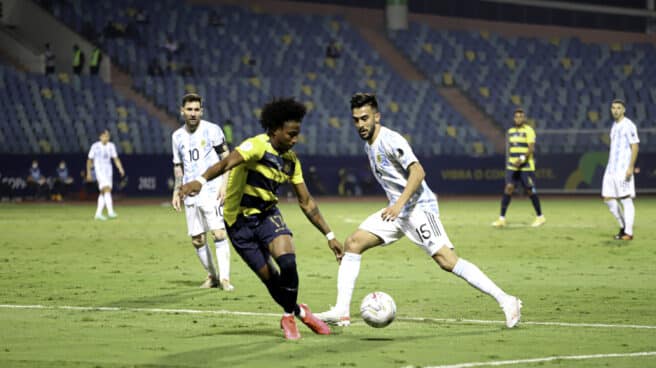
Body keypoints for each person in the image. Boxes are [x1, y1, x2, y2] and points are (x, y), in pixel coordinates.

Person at [315, 93, 522, 328]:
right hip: (398, 210)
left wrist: (398, 205)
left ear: (377, 116)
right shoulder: (368, 145)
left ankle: (507, 300)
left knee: (447, 260)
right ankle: (341, 310)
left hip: (418, 208)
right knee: (353, 243)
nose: (361, 124)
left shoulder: (391, 140)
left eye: (365, 118)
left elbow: (418, 172)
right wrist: (396, 207)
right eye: (356, 120)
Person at [179, 97, 344, 340]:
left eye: (297, 134)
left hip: (267, 216)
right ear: (275, 130)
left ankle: (288, 317)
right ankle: (300, 312)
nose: (295, 139)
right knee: (272, 280)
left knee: (288, 263)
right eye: (290, 134)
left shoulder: (290, 161)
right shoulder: (256, 146)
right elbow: (226, 163)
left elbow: (306, 202)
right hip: (238, 224)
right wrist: (200, 181)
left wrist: (330, 236)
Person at [171, 93, 234, 291]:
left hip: (212, 189)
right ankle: (212, 276)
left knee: (218, 233)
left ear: (201, 111)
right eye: (189, 109)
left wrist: (225, 185)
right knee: (197, 239)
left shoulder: (212, 130)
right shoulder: (177, 136)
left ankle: (225, 278)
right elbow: (178, 166)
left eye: (196, 110)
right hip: (191, 192)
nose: (193, 113)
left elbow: (227, 159)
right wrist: (176, 190)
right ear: (182, 111)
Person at [491, 108, 545, 228]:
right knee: (509, 188)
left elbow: (531, 148)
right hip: (512, 166)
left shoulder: (529, 130)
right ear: (514, 118)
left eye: (521, 116)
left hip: (526, 166)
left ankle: (540, 217)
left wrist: (521, 159)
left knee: (530, 190)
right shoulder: (510, 132)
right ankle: (502, 219)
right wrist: (513, 161)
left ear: (524, 118)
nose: (519, 118)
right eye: (517, 117)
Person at [602, 99, 640, 240]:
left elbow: (635, 146)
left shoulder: (628, 125)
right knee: (607, 198)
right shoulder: (614, 125)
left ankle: (628, 233)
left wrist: (630, 167)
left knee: (625, 198)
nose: (615, 110)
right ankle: (623, 226)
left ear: (624, 110)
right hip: (611, 169)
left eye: (619, 108)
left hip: (623, 170)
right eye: (613, 108)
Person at [87, 129, 125, 220]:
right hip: (99, 171)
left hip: (108, 171)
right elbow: (89, 160)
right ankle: (110, 211)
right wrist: (89, 173)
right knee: (106, 189)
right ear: (100, 137)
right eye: (105, 136)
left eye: (108, 136)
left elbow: (115, 158)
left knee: (104, 192)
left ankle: (98, 214)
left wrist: (120, 168)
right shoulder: (95, 146)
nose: (107, 138)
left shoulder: (111, 146)